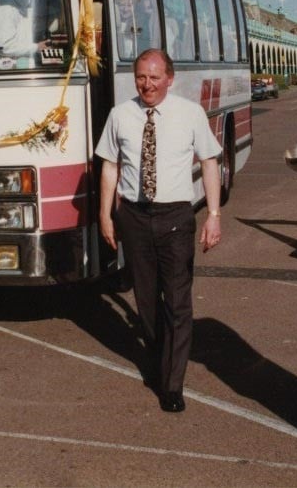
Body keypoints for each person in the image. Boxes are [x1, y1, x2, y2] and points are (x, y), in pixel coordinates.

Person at [96, 48, 222, 413]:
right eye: (140, 77)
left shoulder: (190, 114)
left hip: (176, 218)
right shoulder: (121, 115)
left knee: (178, 302)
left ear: (170, 78)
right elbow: (109, 167)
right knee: (147, 302)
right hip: (134, 217)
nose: (147, 85)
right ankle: (160, 356)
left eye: (154, 77)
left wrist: (213, 214)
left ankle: (171, 384)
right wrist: (105, 215)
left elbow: (210, 163)